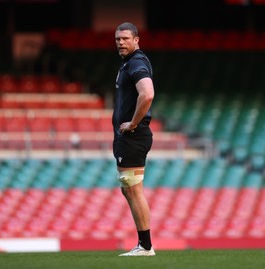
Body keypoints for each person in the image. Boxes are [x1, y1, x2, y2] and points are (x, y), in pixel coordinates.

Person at [112, 22, 156, 257]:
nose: (120, 42)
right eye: (118, 39)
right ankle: (144, 245)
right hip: (130, 137)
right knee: (129, 188)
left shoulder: (137, 62)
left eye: (125, 38)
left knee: (132, 188)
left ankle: (146, 246)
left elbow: (147, 93)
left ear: (136, 40)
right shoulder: (128, 63)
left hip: (133, 136)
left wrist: (133, 123)